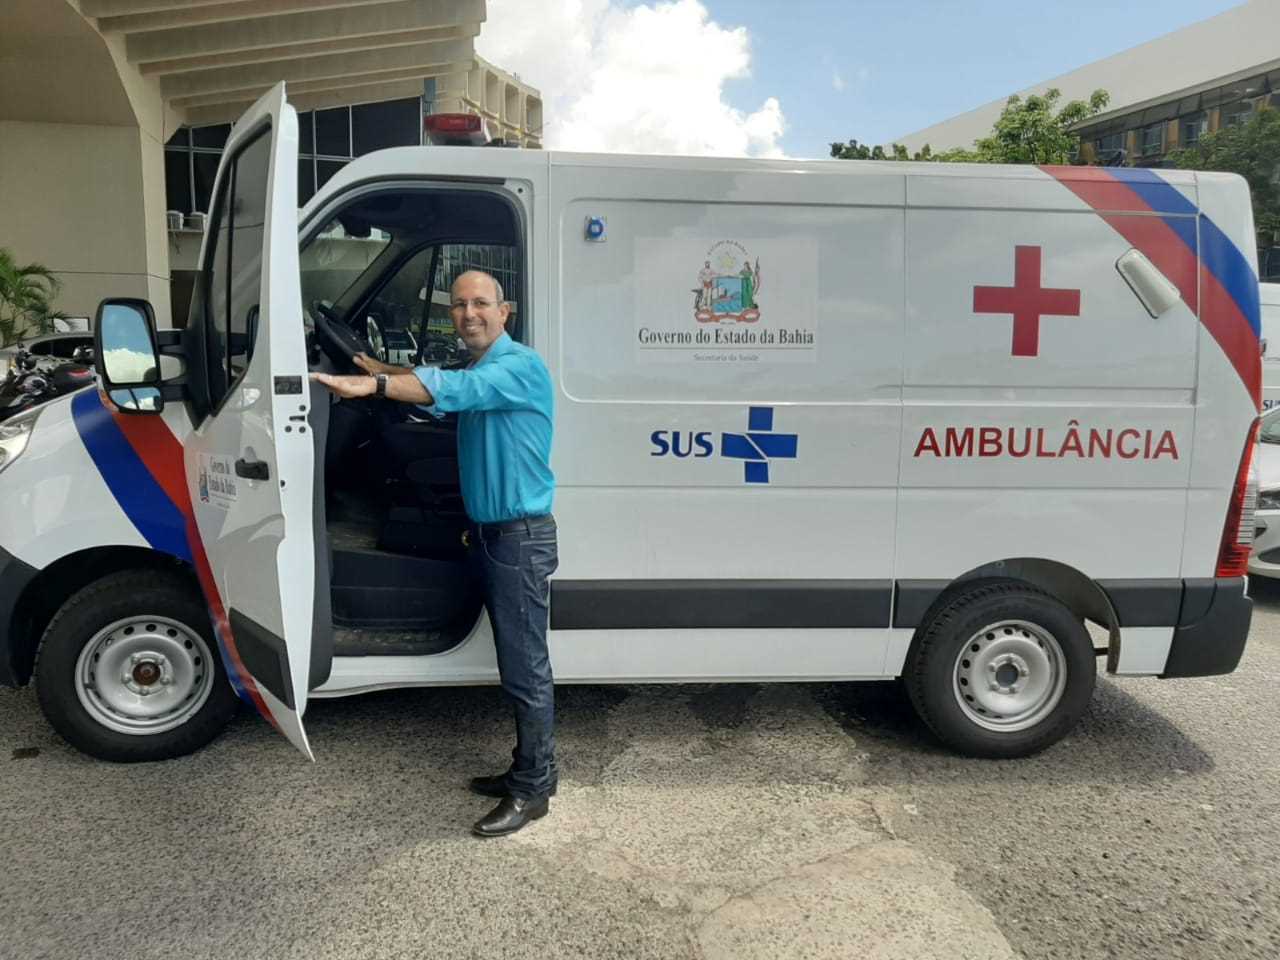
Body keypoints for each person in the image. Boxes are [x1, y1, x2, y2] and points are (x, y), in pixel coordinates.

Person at [311, 270, 558, 838]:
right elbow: (441, 382)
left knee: (526, 671)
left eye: (480, 304)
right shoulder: (484, 367)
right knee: (518, 666)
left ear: (505, 311)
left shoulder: (519, 367)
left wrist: (370, 389)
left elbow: (454, 392)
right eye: (458, 305)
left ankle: (534, 790)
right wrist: (377, 369)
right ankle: (530, 770)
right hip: (498, 536)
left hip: (519, 539)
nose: (468, 313)